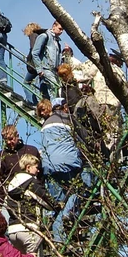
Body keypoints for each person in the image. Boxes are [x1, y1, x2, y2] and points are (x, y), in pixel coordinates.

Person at [63, 49, 128, 156]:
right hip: (116, 104)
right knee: (114, 133)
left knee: (106, 130)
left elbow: (84, 70)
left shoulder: (101, 67)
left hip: (103, 102)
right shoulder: (121, 73)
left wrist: (68, 57)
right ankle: (115, 159)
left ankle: (107, 154)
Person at [37, 100, 86, 242]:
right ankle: (68, 212)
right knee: (80, 191)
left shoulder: (45, 124)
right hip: (68, 163)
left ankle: (58, 239)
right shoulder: (68, 119)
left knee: (56, 204)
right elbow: (83, 138)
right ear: (65, 107)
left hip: (49, 166)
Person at [0, 124, 41, 209]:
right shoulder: (2, 156)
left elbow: (40, 175)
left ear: (17, 135)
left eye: (11, 139)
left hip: (32, 196)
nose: (8, 142)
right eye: (5, 140)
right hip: (11, 199)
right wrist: (0, 203)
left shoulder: (31, 151)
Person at [30, 21, 64, 102]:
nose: (61, 31)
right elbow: (35, 52)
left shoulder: (57, 42)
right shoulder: (44, 36)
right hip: (46, 68)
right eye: (60, 29)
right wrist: (39, 69)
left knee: (48, 92)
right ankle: (55, 110)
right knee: (55, 89)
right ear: (54, 26)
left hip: (54, 71)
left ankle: (48, 110)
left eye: (63, 30)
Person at [21, 22, 47, 105]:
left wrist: (29, 57)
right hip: (43, 63)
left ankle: (34, 104)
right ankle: (45, 105)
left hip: (35, 64)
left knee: (26, 83)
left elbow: (34, 49)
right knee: (43, 86)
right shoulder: (42, 36)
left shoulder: (33, 35)